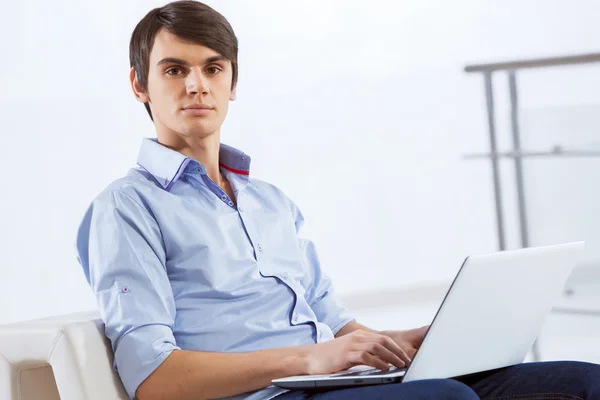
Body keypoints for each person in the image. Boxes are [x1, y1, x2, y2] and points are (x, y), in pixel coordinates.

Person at [75, 1, 600, 399]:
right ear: (139, 85)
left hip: (328, 384)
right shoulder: (126, 208)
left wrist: (399, 344)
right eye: (174, 70)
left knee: (582, 382)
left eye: (213, 68)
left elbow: (331, 321)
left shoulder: (269, 201)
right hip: (272, 395)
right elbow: (153, 379)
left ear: (233, 82)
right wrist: (311, 359)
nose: (196, 85)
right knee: (446, 398)